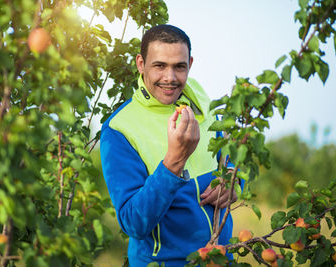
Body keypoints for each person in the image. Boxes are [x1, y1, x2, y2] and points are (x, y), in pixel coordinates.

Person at [100, 24, 239, 267]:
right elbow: (133, 223)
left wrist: (234, 180)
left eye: (179, 67)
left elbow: (229, 157)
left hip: (219, 259)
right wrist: (174, 161)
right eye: (159, 65)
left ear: (190, 64)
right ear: (141, 64)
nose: (170, 78)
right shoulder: (119, 128)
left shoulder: (199, 96)